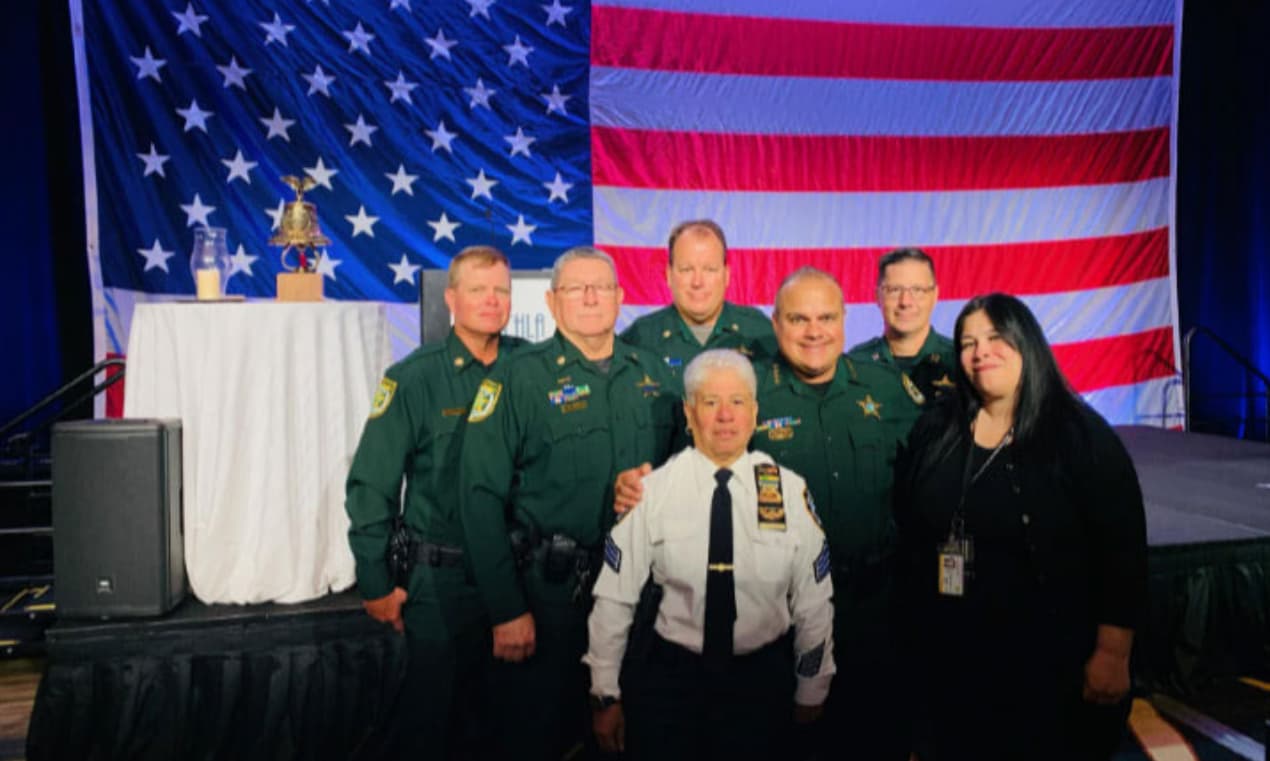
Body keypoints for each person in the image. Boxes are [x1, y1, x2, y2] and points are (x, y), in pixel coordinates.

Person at [614, 267, 918, 760]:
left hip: (873, 610)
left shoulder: (887, 390)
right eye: (798, 319)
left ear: (845, 321)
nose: (813, 331)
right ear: (775, 323)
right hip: (776, 621)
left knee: (872, 736)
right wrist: (634, 485)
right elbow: (683, 473)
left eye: (825, 317)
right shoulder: (747, 393)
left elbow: (922, 486)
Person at [893, 293, 1147, 761]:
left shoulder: (1081, 436)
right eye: (967, 342)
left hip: (1050, 668)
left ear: (1026, 342)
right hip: (956, 662)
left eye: (995, 337)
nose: (980, 352)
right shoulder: (937, 429)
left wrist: (1113, 654)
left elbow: (1122, 548)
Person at [459, 246, 683, 760]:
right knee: (539, 735)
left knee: (633, 735)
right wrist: (506, 609)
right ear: (553, 301)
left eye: (601, 287)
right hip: (548, 596)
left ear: (620, 298)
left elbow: (687, 477)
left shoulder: (656, 378)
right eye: (575, 288)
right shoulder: (518, 379)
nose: (589, 297)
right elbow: (478, 498)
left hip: (638, 595)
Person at [585, 349, 834, 760]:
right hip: (673, 685)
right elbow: (614, 599)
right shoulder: (651, 492)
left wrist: (813, 686)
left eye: (737, 402)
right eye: (710, 402)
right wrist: (604, 694)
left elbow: (813, 600)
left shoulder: (789, 492)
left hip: (760, 684)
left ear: (754, 413)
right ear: (688, 412)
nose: (725, 416)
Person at [344, 245, 524, 759]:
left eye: (501, 290)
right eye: (477, 290)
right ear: (451, 299)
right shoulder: (414, 378)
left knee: (512, 731)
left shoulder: (529, 369)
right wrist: (376, 582)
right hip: (442, 585)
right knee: (433, 729)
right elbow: (370, 486)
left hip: (518, 578)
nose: (492, 301)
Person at [620, 219, 775, 374]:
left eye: (709, 269)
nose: (697, 282)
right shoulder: (641, 338)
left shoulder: (760, 332)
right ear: (669, 275)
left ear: (726, 275)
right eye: (686, 269)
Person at [848, 248, 956, 415]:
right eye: (894, 290)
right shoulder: (855, 364)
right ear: (878, 296)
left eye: (917, 290)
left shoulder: (959, 361)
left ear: (935, 296)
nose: (905, 301)